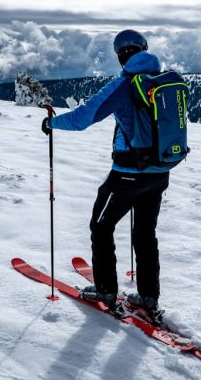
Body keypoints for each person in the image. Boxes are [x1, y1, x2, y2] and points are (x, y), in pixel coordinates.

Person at [41, 29, 170, 319]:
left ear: (121, 55)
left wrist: (52, 123)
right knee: (145, 233)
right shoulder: (164, 81)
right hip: (160, 172)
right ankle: (149, 297)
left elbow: (84, 116)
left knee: (101, 227)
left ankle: (106, 290)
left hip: (127, 174)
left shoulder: (124, 85)